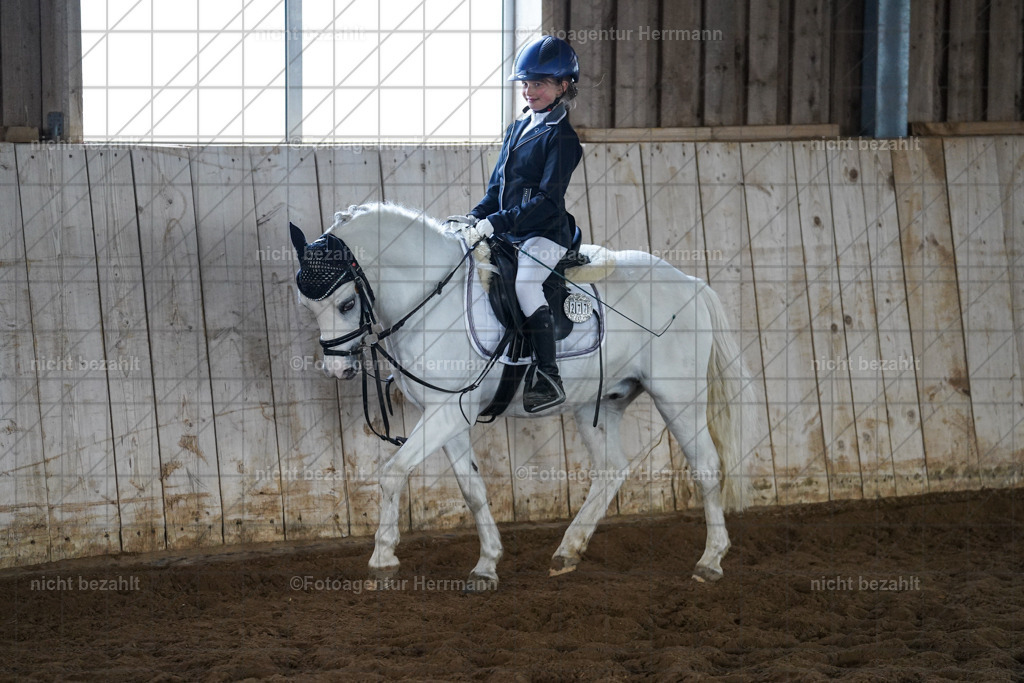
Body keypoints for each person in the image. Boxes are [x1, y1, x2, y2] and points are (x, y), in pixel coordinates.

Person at [446, 35, 582, 413]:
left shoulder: (562, 137)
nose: (529, 90)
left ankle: (549, 374)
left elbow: (547, 201)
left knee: (525, 282)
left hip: (545, 232)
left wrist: (497, 222)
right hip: (508, 230)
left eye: (538, 83)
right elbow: (497, 189)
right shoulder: (517, 128)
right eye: (526, 83)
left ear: (563, 86)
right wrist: (475, 217)